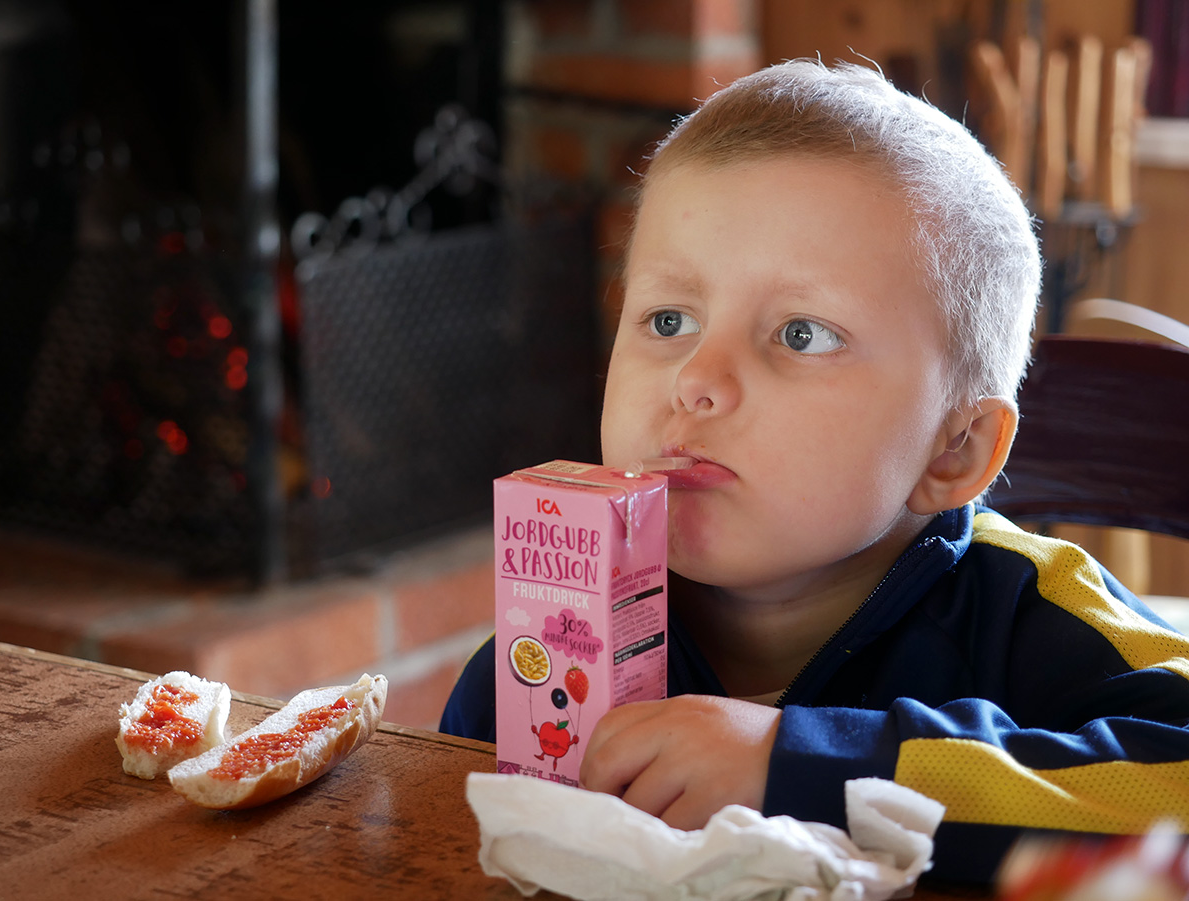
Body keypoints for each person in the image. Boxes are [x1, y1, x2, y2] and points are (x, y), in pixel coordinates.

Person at [440, 58, 1189, 883]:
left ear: (956, 450)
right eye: (668, 318)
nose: (696, 380)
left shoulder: (1033, 616)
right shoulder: (550, 650)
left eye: (801, 333)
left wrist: (797, 763)